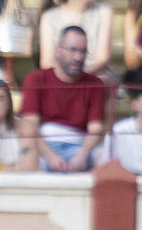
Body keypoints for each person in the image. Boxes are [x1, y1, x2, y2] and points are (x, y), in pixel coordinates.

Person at [20, 23, 108, 169]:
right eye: (72, 50)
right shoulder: (36, 79)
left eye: (83, 51)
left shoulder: (96, 84)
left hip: (80, 146)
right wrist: (51, 157)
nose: (78, 57)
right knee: (31, 161)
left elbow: (96, 129)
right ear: (58, 51)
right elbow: (30, 126)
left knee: (105, 157)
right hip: (44, 147)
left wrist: (83, 154)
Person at [36, 0, 113, 76]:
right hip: (61, 80)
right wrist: (68, 79)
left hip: (95, 76)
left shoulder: (104, 11)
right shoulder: (50, 17)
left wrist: (79, 78)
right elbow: (47, 62)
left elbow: (102, 59)